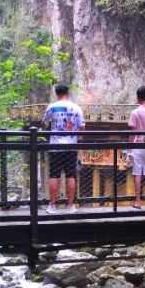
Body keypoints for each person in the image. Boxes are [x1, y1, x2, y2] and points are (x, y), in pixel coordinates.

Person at [41, 83, 85, 213]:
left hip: (56, 147)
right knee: (71, 176)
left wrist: (43, 130)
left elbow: (44, 124)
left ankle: (52, 206)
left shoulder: (52, 107)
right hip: (71, 146)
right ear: (68, 94)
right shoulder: (76, 108)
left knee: (54, 176)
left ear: (56, 94)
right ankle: (70, 206)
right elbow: (82, 128)